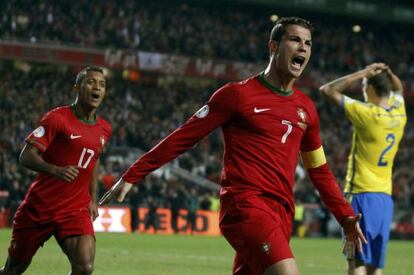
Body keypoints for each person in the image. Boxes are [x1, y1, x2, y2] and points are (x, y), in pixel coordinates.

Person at [100, 17, 365, 275]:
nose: (303, 48)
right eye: (295, 40)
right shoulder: (238, 95)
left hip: (282, 212)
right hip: (245, 206)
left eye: (308, 43)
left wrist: (345, 217)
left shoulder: (306, 109)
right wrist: (133, 174)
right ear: (273, 47)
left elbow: (319, 170)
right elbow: (184, 136)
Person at [0, 66, 112, 275]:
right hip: (40, 207)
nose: (97, 87)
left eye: (102, 84)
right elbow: (25, 155)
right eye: (91, 82)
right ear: (77, 87)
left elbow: (94, 160)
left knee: (84, 267)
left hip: (75, 210)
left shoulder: (104, 128)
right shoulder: (57, 119)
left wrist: (92, 198)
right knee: (12, 270)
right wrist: (55, 170)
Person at [319, 63, 406, 275]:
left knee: (356, 262)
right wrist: (388, 72)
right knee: (375, 267)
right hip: (384, 201)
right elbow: (399, 89)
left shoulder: (366, 113)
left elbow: (327, 90)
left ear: (371, 89)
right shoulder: (399, 112)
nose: (362, 90)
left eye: (365, 86)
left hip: (360, 196)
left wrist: (363, 73)